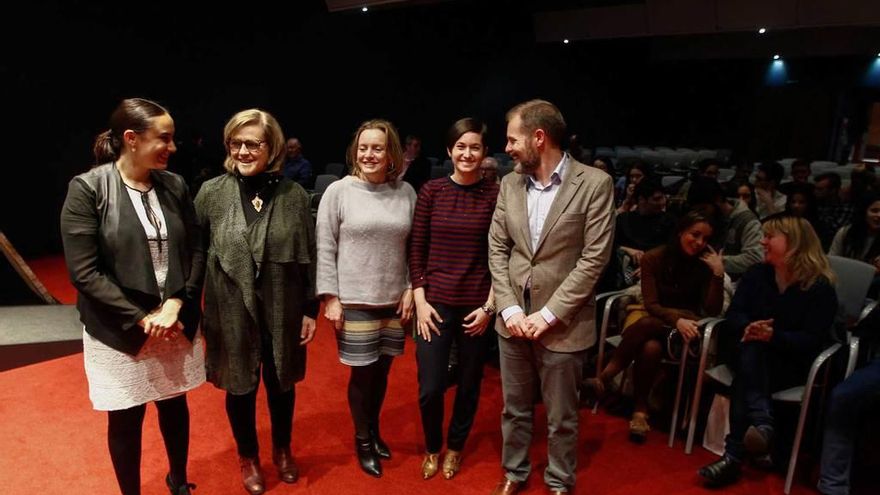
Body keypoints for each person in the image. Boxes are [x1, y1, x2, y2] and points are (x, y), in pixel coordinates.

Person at [60, 97, 204, 495]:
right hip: (118, 328)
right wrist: (143, 318)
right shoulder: (88, 188)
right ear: (131, 139)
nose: (173, 148)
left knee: (175, 405)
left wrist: (177, 303)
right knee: (126, 418)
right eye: (165, 138)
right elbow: (84, 273)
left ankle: (178, 481)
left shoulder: (174, 185)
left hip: (172, 321)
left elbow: (196, 249)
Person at [488, 99, 615, 495]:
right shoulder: (509, 183)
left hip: (563, 325)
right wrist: (509, 308)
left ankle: (559, 481)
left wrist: (546, 316)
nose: (506, 148)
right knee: (514, 409)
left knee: (562, 416)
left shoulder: (595, 184)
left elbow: (594, 261)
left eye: (512, 139)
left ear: (538, 137)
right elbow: (498, 249)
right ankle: (514, 473)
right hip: (512, 321)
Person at [193, 109, 317, 495]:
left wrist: (310, 311)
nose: (244, 151)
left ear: (272, 147)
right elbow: (196, 254)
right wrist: (189, 310)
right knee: (239, 387)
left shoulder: (294, 196)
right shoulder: (211, 192)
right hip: (229, 309)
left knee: (281, 384)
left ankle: (282, 449)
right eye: (236, 143)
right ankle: (248, 456)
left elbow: (308, 256)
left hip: (283, 307)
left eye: (253, 143)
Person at [698, 215, 838, 487]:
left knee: (751, 364)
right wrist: (751, 327)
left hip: (789, 361)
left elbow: (812, 339)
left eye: (770, 237)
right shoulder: (757, 274)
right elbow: (734, 313)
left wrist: (774, 336)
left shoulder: (820, 287)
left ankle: (735, 454)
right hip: (747, 350)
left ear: (794, 243)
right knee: (752, 350)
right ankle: (760, 424)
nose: (762, 241)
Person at [316, 119, 417, 478]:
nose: (369, 154)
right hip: (354, 299)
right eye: (363, 148)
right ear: (355, 151)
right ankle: (363, 440)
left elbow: (412, 249)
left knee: (383, 372)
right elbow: (325, 247)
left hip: (393, 298)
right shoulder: (339, 191)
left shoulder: (405, 192)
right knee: (362, 377)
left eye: (377, 148)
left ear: (390, 153)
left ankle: (374, 432)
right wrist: (331, 297)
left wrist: (409, 287)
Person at [410, 118, 500, 480]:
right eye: (460, 147)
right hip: (433, 304)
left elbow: (501, 255)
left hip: (477, 305)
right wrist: (419, 299)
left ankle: (457, 447)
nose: (467, 153)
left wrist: (490, 308)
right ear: (449, 151)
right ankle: (433, 447)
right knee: (430, 388)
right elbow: (417, 249)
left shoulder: (496, 194)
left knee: (468, 383)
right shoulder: (432, 191)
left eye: (474, 147)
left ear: (484, 153)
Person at [584, 209, 724, 442]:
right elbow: (651, 304)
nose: (699, 243)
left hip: (684, 330)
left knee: (652, 340)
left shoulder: (704, 266)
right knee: (650, 342)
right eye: (695, 235)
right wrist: (676, 318)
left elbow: (712, 311)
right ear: (680, 232)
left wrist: (718, 275)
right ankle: (640, 412)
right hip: (648, 320)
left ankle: (605, 378)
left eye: (706, 239)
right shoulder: (653, 258)